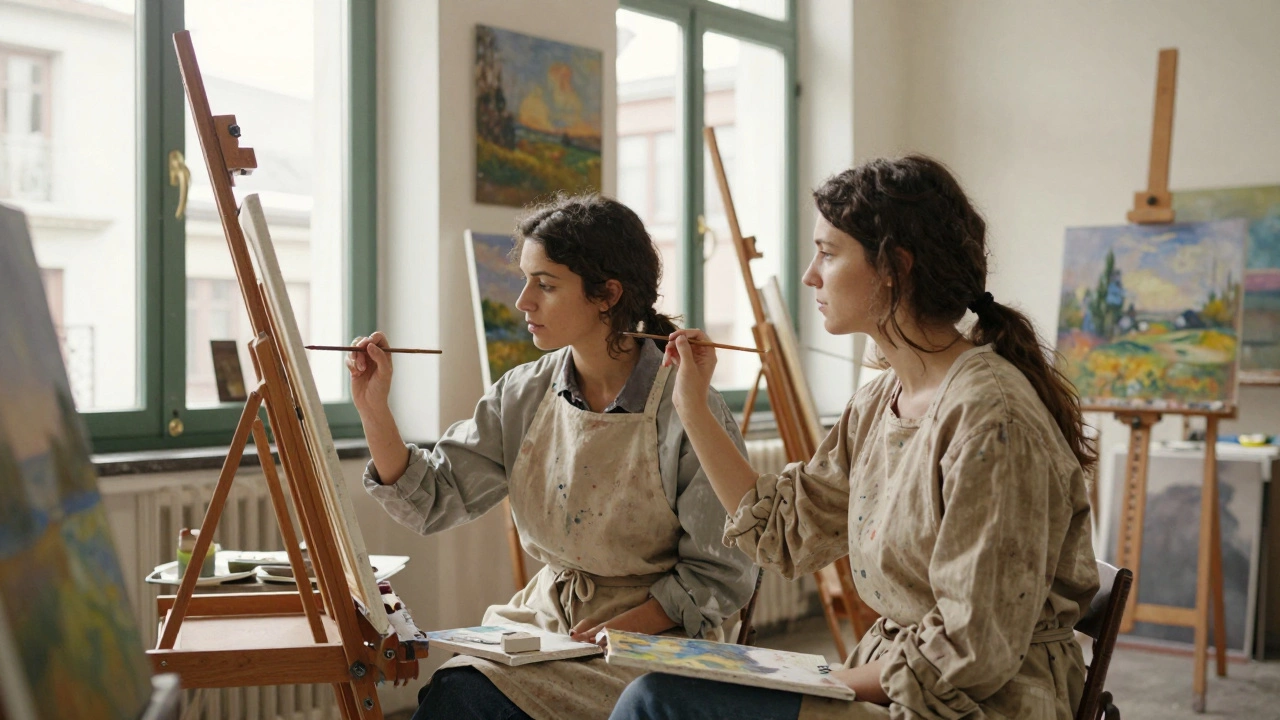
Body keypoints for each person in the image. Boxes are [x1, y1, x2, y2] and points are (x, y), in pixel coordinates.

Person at [611, 156, 1100, 720]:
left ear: (894, 266)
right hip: (900, 681)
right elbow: (787, 534)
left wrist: (821, 680)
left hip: (978, 705)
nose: (809, 275)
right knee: (663, 690)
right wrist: (691, 407)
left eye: (828, 251)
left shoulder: (994, 421)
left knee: (658, 703)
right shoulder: (879, 400)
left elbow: (972, 652)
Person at [349, 194, 757, 720]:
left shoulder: (687, 405)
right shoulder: (522, 393)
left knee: (475, 703)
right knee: (455, 694)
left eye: (544, 284)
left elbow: (722, 572)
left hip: (658, 636)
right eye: (525, 280)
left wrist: (619, 629)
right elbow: (432, 501)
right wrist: (373, 408)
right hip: (545, 620)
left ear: (607, 294)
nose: (523, 301)